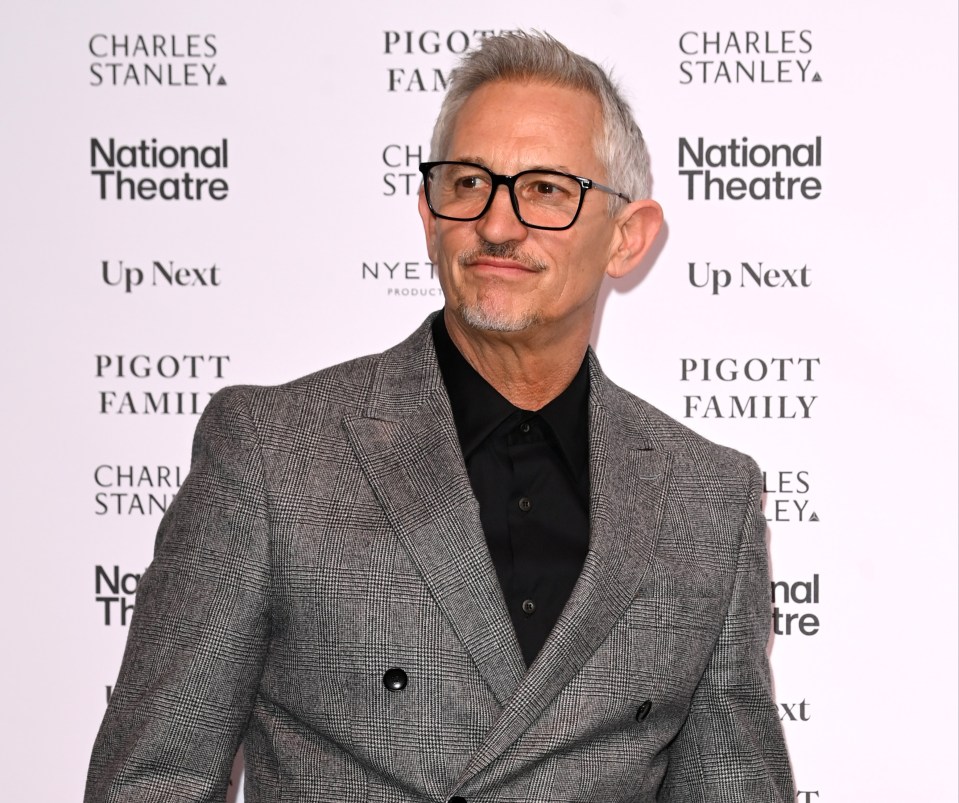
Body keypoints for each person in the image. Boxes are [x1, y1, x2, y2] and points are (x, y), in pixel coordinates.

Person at [85, 31, 794, 803]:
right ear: (428, 215)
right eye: (467, 184)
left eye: (547, 190)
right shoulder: (270, 455)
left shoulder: (706, 496)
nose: (496, 224)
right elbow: (150, 781)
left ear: (627, 237)